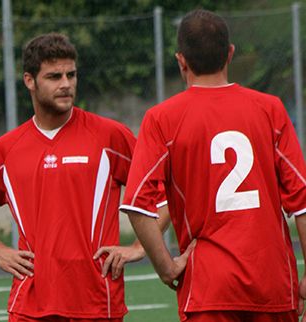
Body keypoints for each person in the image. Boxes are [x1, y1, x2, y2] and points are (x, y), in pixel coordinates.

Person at [0, 32, 167, 321]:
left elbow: (165, 193)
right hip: (29, 305)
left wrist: (140, 247)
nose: (66, 84)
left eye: (71, 75)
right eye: (54, 77)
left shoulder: (109, 136)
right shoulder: (6, 149)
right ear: (29, 81)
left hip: (96, 302)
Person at [120, 9, 306, 322]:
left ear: (181, 60)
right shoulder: (270, 110)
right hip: (273, 284)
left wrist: (166, 267)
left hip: (209, 289)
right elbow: (302, 202)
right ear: (230, 54)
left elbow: (138, 205)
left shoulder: (162, 119)